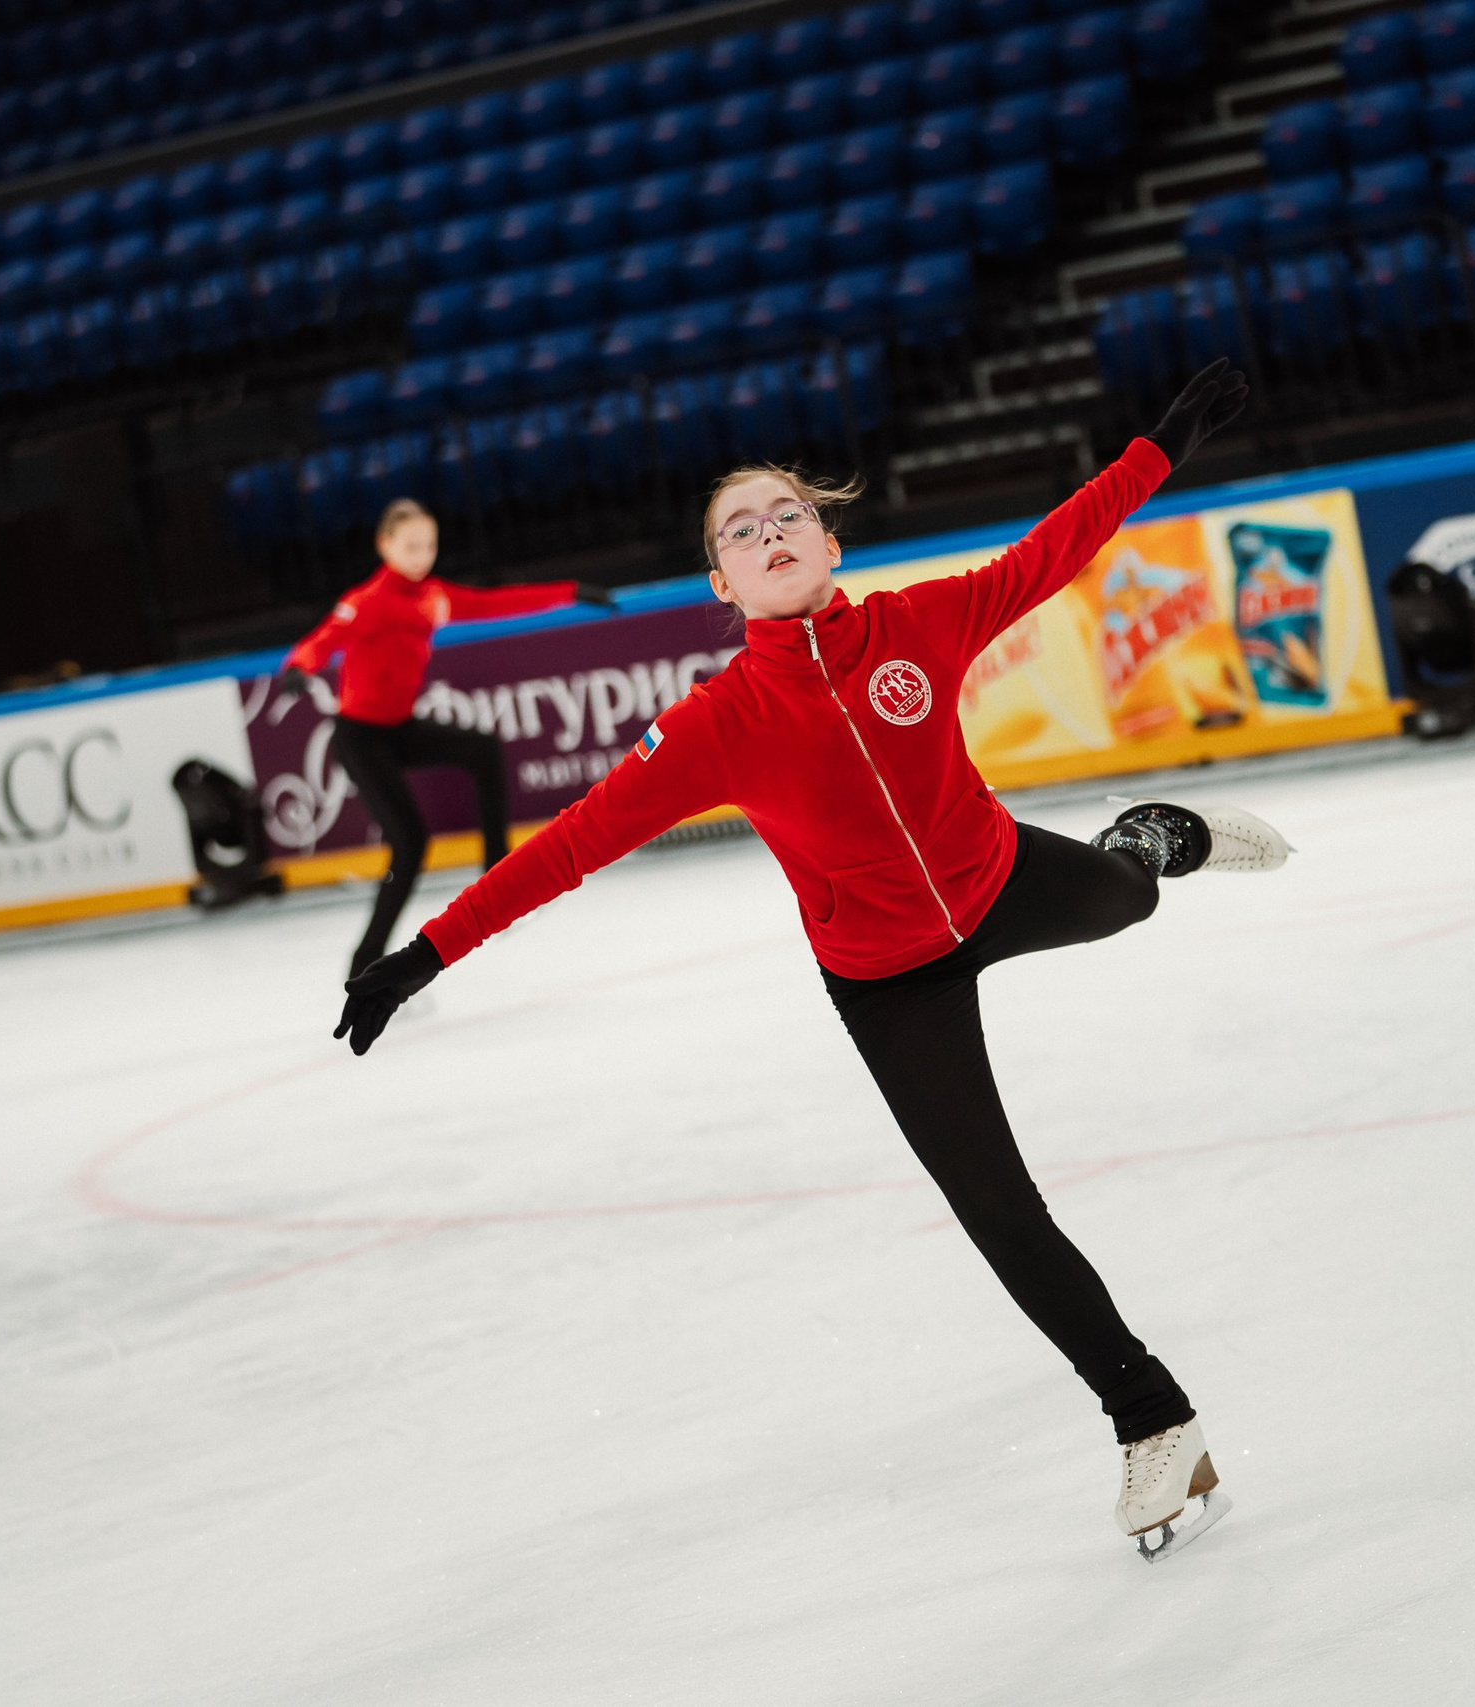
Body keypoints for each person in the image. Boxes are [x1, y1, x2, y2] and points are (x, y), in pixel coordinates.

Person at [335, 363, 1277, 1562]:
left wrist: (1159, 449)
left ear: (828, 542)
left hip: (999, 879)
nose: (769, 531)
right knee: (995, 1205)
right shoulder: (716, 724)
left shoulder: (917, 625)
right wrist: (419, 956)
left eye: (789, 514)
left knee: (1129, 897)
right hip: (887, 976)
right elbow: (569, 848)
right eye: (742, 528)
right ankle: (1152, 1422)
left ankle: (1150, 839)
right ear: (719, 582)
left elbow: (1051, 555)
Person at [276, 497, 618, 976]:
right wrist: (298, 668)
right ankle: (363, 967)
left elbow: (495, 603)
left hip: (401, 728)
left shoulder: (434, 596)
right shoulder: (368, 601)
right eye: (411, 545)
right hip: (361, 737)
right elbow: (324, 639)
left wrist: (571, 591)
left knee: (482, 748)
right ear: (384, 545)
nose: (421, 555)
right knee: (411, 844)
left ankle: (498, 876)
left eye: (429, 545)